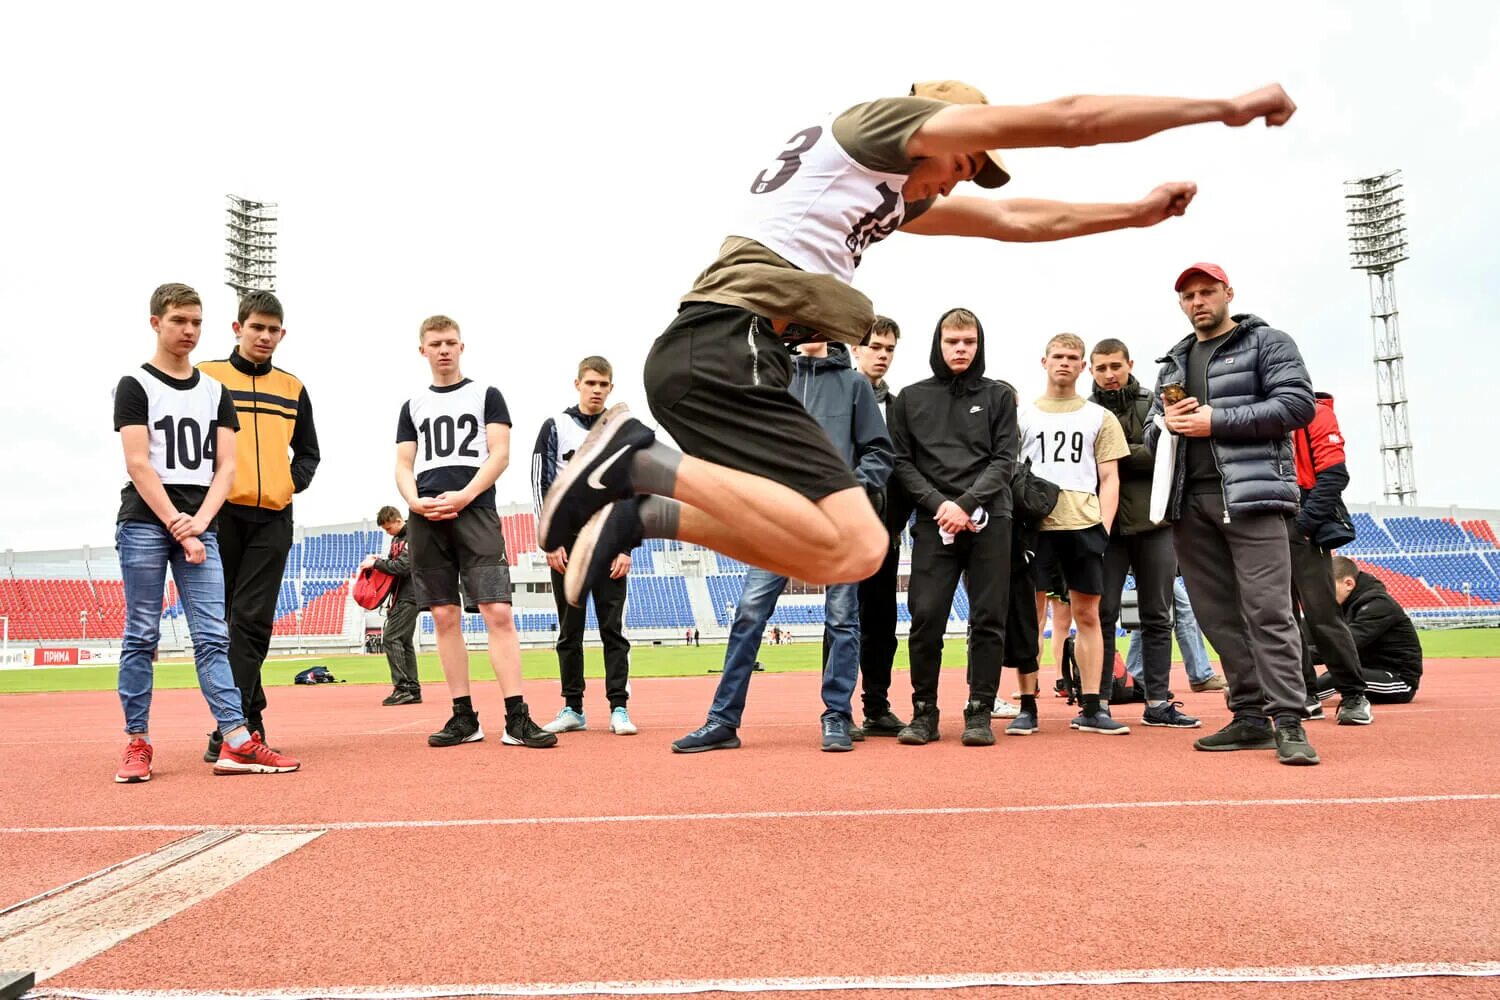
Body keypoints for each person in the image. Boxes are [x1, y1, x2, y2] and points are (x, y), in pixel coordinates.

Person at [537, 80, 1299, 616]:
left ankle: (641, 513)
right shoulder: (872, 129)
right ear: (935, 125)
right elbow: (1071, 117)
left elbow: (1016, 221)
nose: (961, 179)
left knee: (851, 550)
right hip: (724, 340)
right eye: (966, 155)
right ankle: (634, 459)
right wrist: (1222, 107)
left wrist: (1129, 214)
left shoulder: (878, 196)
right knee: (850, 538)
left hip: (724, 360)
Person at [112, 283, 300, 782]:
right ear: (156, 322)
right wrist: (179, 523)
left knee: (214, 636)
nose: (189, 331)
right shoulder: (135, 383)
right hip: (147, 523)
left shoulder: (215, 391)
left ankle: (236, 740)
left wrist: (200, 522)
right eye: (179, 321)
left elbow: (226, 467)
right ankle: (137, 741)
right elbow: (138, 463)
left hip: (203, 523)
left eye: (196, 321)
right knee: (142, 634)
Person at [672, 341, 892, 753]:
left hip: (835, 524)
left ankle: (837, 716)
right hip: (776, 523)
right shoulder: (768, 382)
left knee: (843, 619)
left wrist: (848, 489)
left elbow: (879, 451)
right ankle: (722, 720)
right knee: (749, 614)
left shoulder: (855, 385)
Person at [1146, 263, 1319, 765]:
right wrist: (1168, 426)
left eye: (1207, 292)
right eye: (1189, 295)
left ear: (1228, 293)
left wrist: (1215, 421)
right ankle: (1249, 716)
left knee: (1268, 611)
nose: (1198, 301)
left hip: (1252, 498)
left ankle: (1288, 720)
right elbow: (1155, 435)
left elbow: (1297, 405)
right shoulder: (1173, 362)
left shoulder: (1268, 342)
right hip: (1188, 502)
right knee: (1217, 617)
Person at [396, 315, 555, 749]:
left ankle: (516, 717)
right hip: (427, 517)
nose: (443, 349)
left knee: (497, 612)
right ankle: (463, 716)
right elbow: (403, 464)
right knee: (444, 616)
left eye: (450, 342)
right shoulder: (413, 405)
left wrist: (464, 495)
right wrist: (412, 500)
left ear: (462, 346)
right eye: (435, 343)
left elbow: (500, 455)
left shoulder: (486, 394)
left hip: (475, 511)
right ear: (422, 350)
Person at [197, 291, 320, 762]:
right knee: (227, 625)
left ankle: (228, 728)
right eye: (257, 328)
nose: (265, 336)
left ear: (282, 334)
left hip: (273, 517)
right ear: (237, 328)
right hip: (220, 514)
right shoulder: (207, 379)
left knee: (251, 620)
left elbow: (308, 451)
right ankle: (249, 719)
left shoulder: (292, 388)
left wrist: (290, 484)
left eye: (273, 330)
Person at [888, 308, 1015, 747]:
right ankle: (924, 712)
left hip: (989, 520)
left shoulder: (999, 397)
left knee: (988, 618)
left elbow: (1005, 461)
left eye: (969, 342)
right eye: (952, 341)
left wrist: (966, 504)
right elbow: (901, 463)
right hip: (933, 520)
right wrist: (940, 504)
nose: (960, 349)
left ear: (979, 345)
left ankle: (979, 710)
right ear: (937, 344)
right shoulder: (909, 398)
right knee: (925, 617)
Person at [1013, 334, 1136, 735]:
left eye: (1073, 358)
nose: (1065, 363)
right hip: (1036, 527)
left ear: (1083, 367)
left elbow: (1110, 477)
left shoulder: (1099, 417)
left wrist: (1104, 525)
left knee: (1088, 615)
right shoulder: (1023, 416)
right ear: (1044, 361)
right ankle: (1027, 705)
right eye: (1058, 357)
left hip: (1083, 525)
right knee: (1031, 618)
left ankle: (1092, 705)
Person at [1089, 338, 1201, 728]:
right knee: (1101, 616)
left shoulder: (1153, 402)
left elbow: (1165, 452)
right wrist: (1134, 452)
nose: (1109, 374)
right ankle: (1097, 702)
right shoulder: (1084, 411)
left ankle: (1157, 703)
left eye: (1115, 366)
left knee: (1158, 616)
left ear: (1129, 364)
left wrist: (1112, 455)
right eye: (1101, 367)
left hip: (1155, 524)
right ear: (1092, 370)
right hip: (1105, 528)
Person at [530, 356, 636, 736]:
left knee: (613, 629)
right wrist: (551, 540)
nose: (596, 390)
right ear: (577, 384)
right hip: (568, 542)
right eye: (590, 383)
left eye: (603, 385)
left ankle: (619, 708)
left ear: (611, 388)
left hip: (608, 537)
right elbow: (540, 482)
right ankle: (572, 707)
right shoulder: (554, 426)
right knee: (569, 630)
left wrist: (626, 548)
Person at [844, 315, 911, 736]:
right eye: (874, 347)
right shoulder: (837, 396)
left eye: (888, 349)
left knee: (882, 624)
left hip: (886, 533)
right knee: (843, 621)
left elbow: (904, 470)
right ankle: (838, 710)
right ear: (855, 348)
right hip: (842, 532)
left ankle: (877, 705)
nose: (881, 355)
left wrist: (893, 525)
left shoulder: (901, 406)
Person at [1290, 392, 1370, 725]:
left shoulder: (1315, 412)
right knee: (1279, 616)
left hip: (1301, 521)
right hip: (1261, 520)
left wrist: (1304, 526)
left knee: (1321, 613)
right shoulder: (1253, 412)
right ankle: (1304, 695)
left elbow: (1335, 475)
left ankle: (1354, 694)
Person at [1322, 556, 1423, 702]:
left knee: (1339, 676)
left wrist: (1298, 653)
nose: (1324, 594)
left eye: (1328, 587)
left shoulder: (1379, 605)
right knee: (1331, 674)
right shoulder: (1344, 605)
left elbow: (1343, 644)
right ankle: (1290, 699)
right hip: (1368, 672)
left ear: (1348, 583)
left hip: (1398, 680)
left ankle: (1293, 702)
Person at [361, 505, 420, 706]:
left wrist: (376, 564)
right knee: (404, 642)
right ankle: (412, 689)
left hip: (410, 595)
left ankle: (403, 688)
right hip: (401, 596)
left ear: (397, 520)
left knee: (391, 638)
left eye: (388, 528)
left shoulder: (413, 535)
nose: (388, 532)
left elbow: (403, 567)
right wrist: (381, 561)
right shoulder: (397, 539)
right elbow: (394, 566)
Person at [1125, 576, 1219, 691]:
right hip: (1152, 561)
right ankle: (1200, 675)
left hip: (1152, 562)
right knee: (1182, 609)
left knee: (1149, 610)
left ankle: (1135, 677)